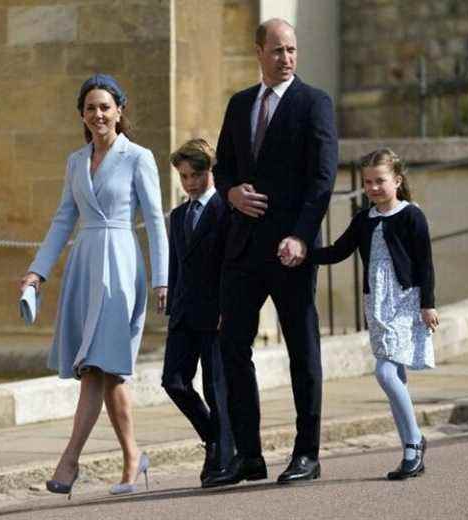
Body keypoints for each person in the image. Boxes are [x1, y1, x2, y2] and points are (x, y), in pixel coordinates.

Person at [202, 18, 338, 488]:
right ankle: (250, 457)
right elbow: (222, 170)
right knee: (232, 349)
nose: (287, 59)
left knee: (303, 350)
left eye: (293, 50)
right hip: (242, 251)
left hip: (290, 252)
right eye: (278, 50)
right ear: (258, 51)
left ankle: (308, 453)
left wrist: (302, 236)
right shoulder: (240, 105)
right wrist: (232, 193)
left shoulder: (313, 103)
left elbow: (323, 181)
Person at [19, 73, 169, 498]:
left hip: (121, 268)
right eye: (90, 108)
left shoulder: (138, 157)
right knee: (107, 371)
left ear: (120, 111)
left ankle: (69, 461)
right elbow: (62, 220)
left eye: (105, 107)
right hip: (86, 266)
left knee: (94, 369)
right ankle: (133, 457)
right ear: (82, 116)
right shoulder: (74, 162)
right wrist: (37, 272)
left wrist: (162, 278)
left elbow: (156, 221)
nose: (98, 114)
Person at [308, 148, 438, 480]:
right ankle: (410, 448)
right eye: (368, 182)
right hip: (376, 303)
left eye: (380, 181)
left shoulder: (412, 215)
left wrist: (428, 304)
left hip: (405, 302)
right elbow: (339, 250)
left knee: (384, 373)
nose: (373, 188)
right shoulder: (364, 219)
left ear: (397, 180)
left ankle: (414, 443)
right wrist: (304, 255)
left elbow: (425, 262)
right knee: (396, 377)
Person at [162, 138, 235, 485]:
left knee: (214, 386)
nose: (190, 183)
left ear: (210, 172)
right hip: (184, 313)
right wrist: (173, 307)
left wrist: (228, 307)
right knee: (173, 381)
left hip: (216, 313)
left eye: (196, 175)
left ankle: (221, 460)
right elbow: (176, 265)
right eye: (184, 176)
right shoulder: (178, 216)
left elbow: (230, 266)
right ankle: (215, 437)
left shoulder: (225, 209)